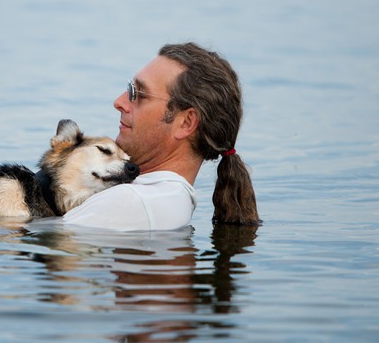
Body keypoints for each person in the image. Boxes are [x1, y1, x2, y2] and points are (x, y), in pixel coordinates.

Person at [63, 42, 260, 231]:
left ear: (186, 123)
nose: (119, 102)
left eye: (139, 93)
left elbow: (45, 246)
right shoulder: (167, 199)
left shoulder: (133, 202)